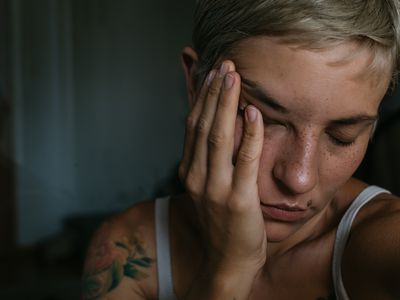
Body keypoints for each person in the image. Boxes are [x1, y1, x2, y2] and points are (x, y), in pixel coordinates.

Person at [82, 1, 400, 299]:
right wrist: (231, 269)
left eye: (342, 136)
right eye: (262, 118)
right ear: (195, 84)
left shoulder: (384, 238)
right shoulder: (128, 248)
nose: (299, 178)